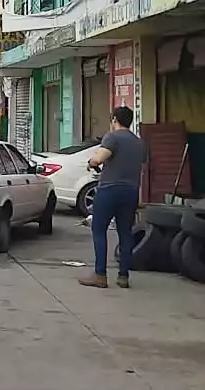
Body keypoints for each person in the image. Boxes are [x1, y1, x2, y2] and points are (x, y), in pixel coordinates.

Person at [80, 106, 145, 289]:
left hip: (110, 190)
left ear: (115, 119)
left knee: (99, 230)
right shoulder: (139, 142)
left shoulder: (112, 137)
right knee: (125, 233)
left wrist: (91, 162)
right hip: (131, 191)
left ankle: (100, 274)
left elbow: (99, 159)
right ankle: (123, 276)